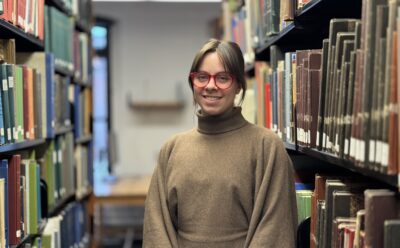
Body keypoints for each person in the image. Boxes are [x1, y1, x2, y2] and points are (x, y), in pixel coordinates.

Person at [143, 39, 298, 247]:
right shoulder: (171, 149)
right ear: (192, 83)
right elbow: (156, 228)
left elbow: (275, 228)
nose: (211, 86)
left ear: (238, 86)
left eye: (223, 78)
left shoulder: (267, 147)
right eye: (202, 77)